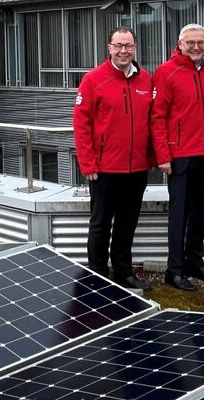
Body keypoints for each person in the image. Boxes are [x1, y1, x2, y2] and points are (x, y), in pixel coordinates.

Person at [73, 27, 152, 291]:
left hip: (136, 168)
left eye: (128, 46)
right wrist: (88, 163)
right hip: (104, 169)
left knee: (127, 225)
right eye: (118, 46)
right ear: (109, 48)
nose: (123, 51)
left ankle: (123, 272)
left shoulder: (145, 80)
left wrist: (151, 158)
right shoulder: (93, 79)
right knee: (100, 224)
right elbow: (81, 124)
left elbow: (153, 122)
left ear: (135, 48)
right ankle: (97, 274)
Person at [151, 23, 204, 291]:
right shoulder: (166, 71)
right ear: (180, 44)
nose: (195, 47)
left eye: (200, 42)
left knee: (202, 212)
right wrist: (163, 155)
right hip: (180, 155)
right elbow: (157, 116)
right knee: (179, 214)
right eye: (190, 42)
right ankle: (175, 269)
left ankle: (194, 260)